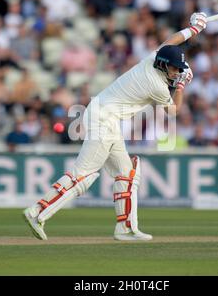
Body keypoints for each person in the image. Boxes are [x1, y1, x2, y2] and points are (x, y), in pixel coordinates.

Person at [23, 12, 208, 241]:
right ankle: (38, 211)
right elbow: (174, 112)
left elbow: (171, 41)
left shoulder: (152, 58)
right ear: (163, 65)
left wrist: (193, 30)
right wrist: (180, 88)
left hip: (104, 116)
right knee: (84, 175)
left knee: (127, 172)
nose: (176, 72)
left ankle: (126, 228)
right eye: (174, 69)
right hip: (104, 119)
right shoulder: (157, 86)